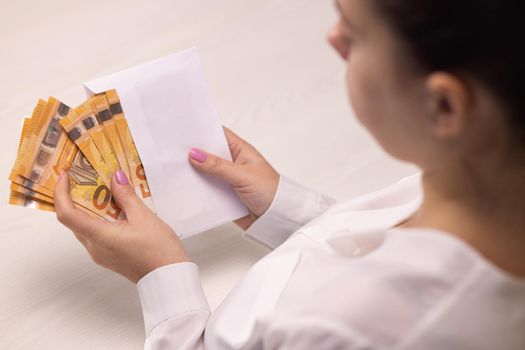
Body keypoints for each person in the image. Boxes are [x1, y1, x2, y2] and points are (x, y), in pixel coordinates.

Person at [54, 0, 525, 348]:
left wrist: (160, 276)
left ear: (443, 105)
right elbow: (386, 238)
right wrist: (286, 209)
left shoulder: (340, 325)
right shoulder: (480, 186)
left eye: (354, 32)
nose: (332, 38)